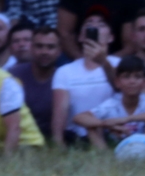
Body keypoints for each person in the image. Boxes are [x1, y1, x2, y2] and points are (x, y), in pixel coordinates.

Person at [51, 14, 121, 148]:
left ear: (111, 37)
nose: (94, 26)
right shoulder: (64, 71)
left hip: (113, 135)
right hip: (77, 139)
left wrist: (103, 62)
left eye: (101, 25)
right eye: (89, 24)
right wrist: (58, 145)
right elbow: (60, 111)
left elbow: (122, 88)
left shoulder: (120, 64)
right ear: (81, 37)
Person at [72, 55, 145, 148]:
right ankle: (103, 153)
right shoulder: (112, 104)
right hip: (117, 144)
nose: (132, 81)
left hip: (142, 141)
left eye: (137, 77)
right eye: (126, 77)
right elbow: (79, 117)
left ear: (144, 83)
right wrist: (105, 124)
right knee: (91, 125)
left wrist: (127, 119)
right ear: (117, 82)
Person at [7, 26, 62, 142]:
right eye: (39, 46)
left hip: (53, 138)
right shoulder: (13, 75)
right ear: (31, 48)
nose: (44, 52)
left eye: (50, 47)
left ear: (59, 51)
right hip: (22, 138)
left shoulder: (65, 77)